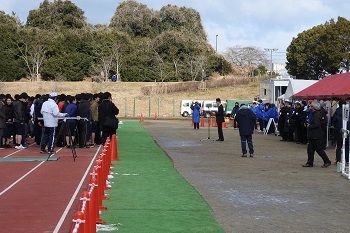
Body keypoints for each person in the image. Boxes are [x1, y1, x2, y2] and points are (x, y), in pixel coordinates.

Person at [302, 100, 332, 168]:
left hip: (316, 135)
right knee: (310, 149)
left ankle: (327, 161)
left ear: (313, 107)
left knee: (319, 149)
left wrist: (309, 126)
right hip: (313, 135)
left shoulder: (316, 114)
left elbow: (317, 124)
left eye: (311, 106)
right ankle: (310, 162)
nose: (309, 107)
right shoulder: (315, 114)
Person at [332, 99, 349, 165]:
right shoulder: (348, 112)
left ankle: (338, 160)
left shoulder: (336, 112)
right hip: (347, 131)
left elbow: (334, 122)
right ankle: (347, 160)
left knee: (339, 146)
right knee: (347, 147)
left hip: (338, 131)